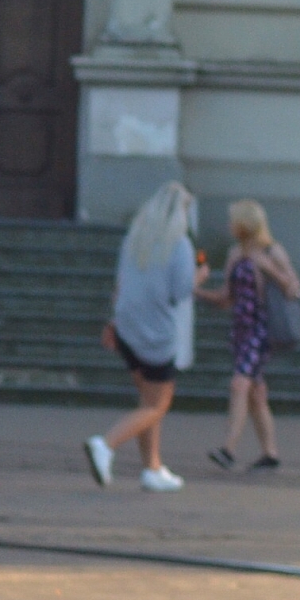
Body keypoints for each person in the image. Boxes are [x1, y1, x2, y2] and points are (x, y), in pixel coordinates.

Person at [85, 181, 200, 491]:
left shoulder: (135, 238)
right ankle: (105, 444)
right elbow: (181, 293)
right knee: (157, 405)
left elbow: (120, 284)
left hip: (128, 329)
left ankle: (152, 467)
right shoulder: (180, 245)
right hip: (155, 336)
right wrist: (198, 276)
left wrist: (112, 322)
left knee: (146, 401)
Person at [200, 199, 299, 472]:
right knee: (256, 393)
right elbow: (226, 298)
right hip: (241, 330)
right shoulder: (235, 253)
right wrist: (196, 291)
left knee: (239, 385)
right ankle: (270, 453)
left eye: (234, 221)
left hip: (261, 329)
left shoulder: (271, 251)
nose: (229, 226)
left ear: (246, 224)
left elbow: (293, 289)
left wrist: (268, 268)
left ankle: (228, 449)